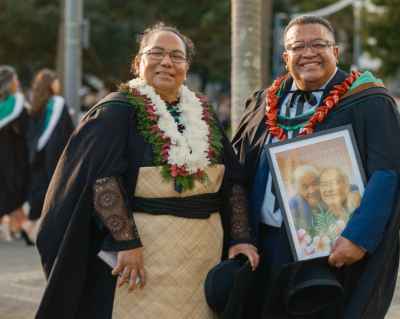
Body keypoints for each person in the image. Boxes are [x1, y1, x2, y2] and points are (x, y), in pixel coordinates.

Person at [35, 22, 259, 319]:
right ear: (138, 62)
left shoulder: (204, 114)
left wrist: (241, 236)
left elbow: (232, 181)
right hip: (141, 255)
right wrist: (125, 242)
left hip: (202, 253)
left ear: (186, 66)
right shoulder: (116, 111)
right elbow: (104, 179)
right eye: (157, 53)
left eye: (176, 56)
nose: (167, 62)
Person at [232, 16, 400, 318]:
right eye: (298, 46)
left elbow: (387, 174)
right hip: (266, 246)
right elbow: (238, 172)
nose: (308, 52)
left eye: (319, 44)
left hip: (332, 248)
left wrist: (359, 237)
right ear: (285, 57)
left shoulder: (368, 101)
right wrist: (240, 235)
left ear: (336, 53)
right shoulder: (264, 104)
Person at [25, 69, 74, 242]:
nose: (58, 84)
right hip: (53, 156)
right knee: (53, 190)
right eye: (56, 81)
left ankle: (31, 226)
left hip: (36, 154)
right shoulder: (58, 103)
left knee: (39, 189)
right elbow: (65, 131)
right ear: (50, 84)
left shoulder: (37, 103)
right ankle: (37, 230)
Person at [0, 65, 30, 244]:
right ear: (10, 82)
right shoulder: (17, 102)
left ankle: (15, 228)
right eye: (16, 79)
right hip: (13, 157)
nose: (18, 82)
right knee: (15, 192)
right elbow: (26, 128)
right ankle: (20, 228)